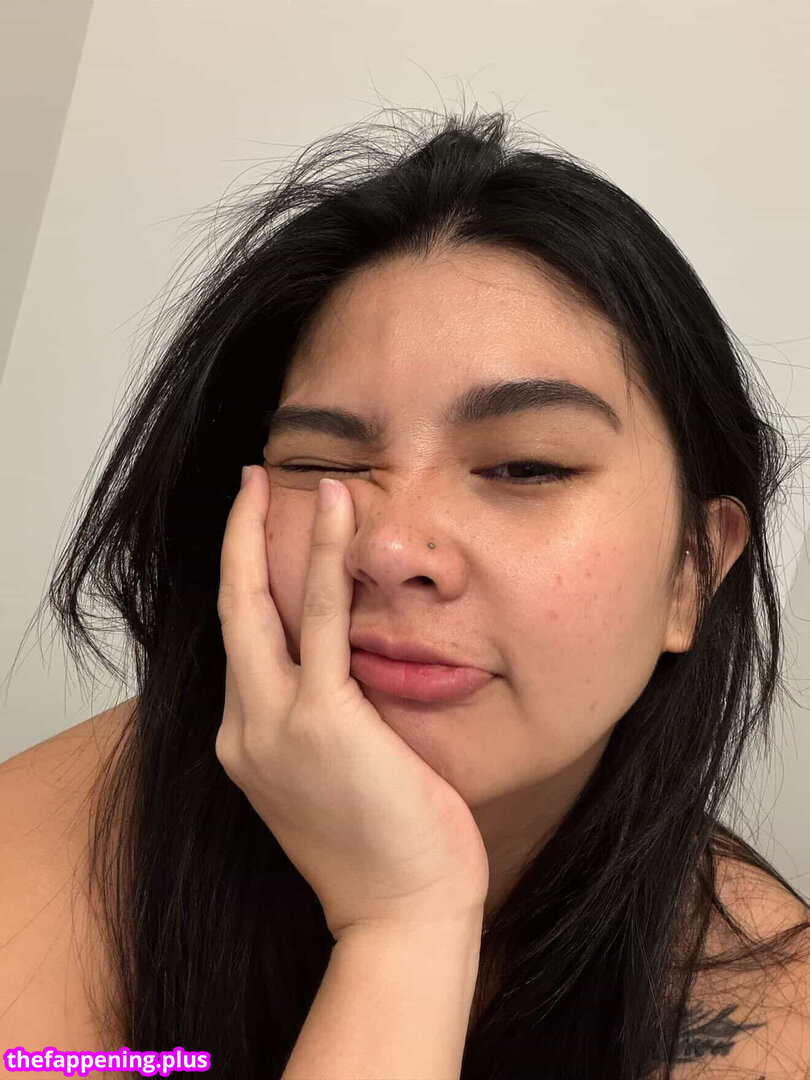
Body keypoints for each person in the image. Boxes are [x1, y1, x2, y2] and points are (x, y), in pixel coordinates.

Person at [1, 106, 809, 1080]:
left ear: (693, 571)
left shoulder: (763, 1008)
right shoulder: (47, 866)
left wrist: (401, 921)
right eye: (322, 462)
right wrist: (406, 923)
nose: (387, 547)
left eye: (526, 467)